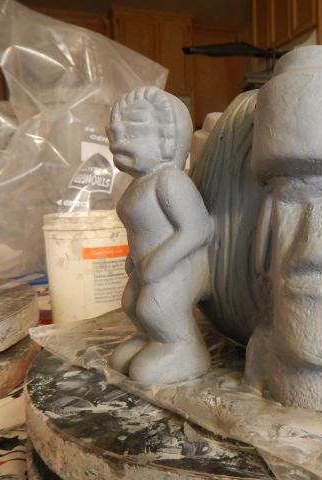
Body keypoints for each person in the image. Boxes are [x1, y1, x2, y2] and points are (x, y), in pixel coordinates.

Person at [106, 86, 213, 383]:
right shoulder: (139, 183)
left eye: (134, 127)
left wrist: (162, 261)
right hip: (147, 265)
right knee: (131, 304)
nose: (117, 137)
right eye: (114, 132)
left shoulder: (170, 180)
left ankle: (184, 348)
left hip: (177, 265)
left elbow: (198, 228)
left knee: (154, 308)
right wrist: (134, 259)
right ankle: (152, 339)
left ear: (169, 138)